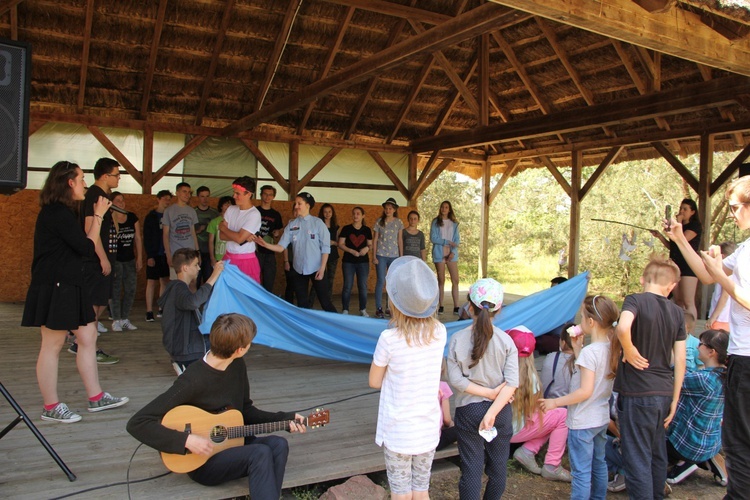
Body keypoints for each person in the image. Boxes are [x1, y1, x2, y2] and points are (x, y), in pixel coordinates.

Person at [127, 313, 306, 499]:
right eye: (250, 343)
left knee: (278, 444)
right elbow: (138, 422)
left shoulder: (237, 365)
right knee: (260, 453)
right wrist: (186, 441)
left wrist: (285, 418)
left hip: (232, 443)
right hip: (202, 462)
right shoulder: (192, 380)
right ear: (240, 349)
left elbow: (245, 410)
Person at [21, 161, 129, 423]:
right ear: (69, 182)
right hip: (55, 285)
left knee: (89, 335)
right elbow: (86, 246)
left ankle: (96, 397)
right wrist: (101, 216)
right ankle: (51, 406)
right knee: (53, 344)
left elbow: (82, 246)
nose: (84, 183)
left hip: (71, 283)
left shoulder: (64, 212)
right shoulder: (55, 213)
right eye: (81, 179)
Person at [666, 175, 750, 498]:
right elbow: (704, 273)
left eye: (734, 208)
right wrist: (680, 239)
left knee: (740, 444)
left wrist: (720, 278)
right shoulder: (743, 247)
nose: (731, 214)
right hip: (740, 359)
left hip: (746, 360)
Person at [369, 256, 446, 499]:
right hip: (428, 427)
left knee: (400, 493)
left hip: (398, 430)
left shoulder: (388, 339)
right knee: (421, 490)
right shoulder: (440, 332)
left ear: (395, 300)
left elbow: (374, 381)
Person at [613, 255, 686, 500]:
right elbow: (681, 360)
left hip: (637, 393)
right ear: (672, 285)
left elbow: (622, 327)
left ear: (644, 279)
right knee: (657, 454)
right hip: (664, 392)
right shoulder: (677, 313)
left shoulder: (635, 300)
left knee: (636, 459)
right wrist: (675, 400)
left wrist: (630, 349)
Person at [539, 295, 620, 500]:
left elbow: (585, 391)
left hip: (582, 420)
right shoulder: (611, 347)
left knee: (581, 472)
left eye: (582, 317)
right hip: (600, 418)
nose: (581, 321)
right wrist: (577, 350)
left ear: (591, 322)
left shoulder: (590, 353)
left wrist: (555, 402)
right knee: (598, 463)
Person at [447, 278, 518, 499]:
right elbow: (512, 383)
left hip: (468, 411)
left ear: (469, 307)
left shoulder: (457, 339)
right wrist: (492, 408)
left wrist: (485, 395)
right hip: (500, 412)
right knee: (498, 471)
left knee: (471, 470)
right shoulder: (506, 341)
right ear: (499, 310)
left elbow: (456, 381)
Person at [69, 157, 120, 364]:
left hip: (103, 259)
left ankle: (79, 341)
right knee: (93, 305)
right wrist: (102, 258)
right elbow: (91, 229)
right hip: (95, 260)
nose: (119, 179)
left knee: (99, 303)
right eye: (117, 175)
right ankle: (86, 345)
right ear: (105, 176)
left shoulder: (101, 195)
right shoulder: (94, 195)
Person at [507, 325, 572, 482]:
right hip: (515, 432)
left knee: (551, 416)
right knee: (562, 415)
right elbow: (535, 411)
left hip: (496, 429)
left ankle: (528, 451)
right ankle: (552, 465)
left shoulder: (499, 371)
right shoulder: (532, 379)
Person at [253, 192, 336, 312]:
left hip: (317, 269)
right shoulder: (292, 225)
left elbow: (326, 248)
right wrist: (266, 244)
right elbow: (281, 247)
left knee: (325, 302)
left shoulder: (318, 223)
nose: (296, 206)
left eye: (299, 203)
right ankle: (305, 328)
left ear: (307, 205)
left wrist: (322, 268)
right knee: (302, 303)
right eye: (295, 203)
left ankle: (337, 327)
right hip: (298, 270)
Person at [666, 329, 728, 486]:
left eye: (701, 344)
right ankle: (708, 459)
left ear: (711, 352)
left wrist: (672, 349)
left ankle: (686, 463)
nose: (697, 346)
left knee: (653, 445)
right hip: (712, 442)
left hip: (689, 446)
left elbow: (675, 377)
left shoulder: (705, 380)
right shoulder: (726, 376)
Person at [158, 249, 224, 374]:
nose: (199, 268)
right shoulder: (178, 288)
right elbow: (193, 302)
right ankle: (185, 365)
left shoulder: (177, 288)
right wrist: (214, 276)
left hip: (181, 346)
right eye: (195, 265)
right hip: (184, 349)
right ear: (185, 268)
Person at [650, 198, 702, 320]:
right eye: (680, 208)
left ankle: (691, 330)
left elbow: (682, 240)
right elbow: (672, 246)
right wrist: (660, 236)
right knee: (678, 299)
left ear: (692, 212)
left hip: (688, 265)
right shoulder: (677, 228)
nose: (682, 211)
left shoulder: (695, 226)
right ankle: (679, 325)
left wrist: (677, 223)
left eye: (685, 209)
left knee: (688, 301)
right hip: (675, 264)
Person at [110, 191, 142, 332]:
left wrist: (139, 257)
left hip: (129, 259)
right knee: (115, 290)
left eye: (122, 200)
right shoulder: (110, 219)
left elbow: (137, 238)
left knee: (130, 289)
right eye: (117, 200)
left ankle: (125, 318)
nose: (121, 203)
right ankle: (116, 319)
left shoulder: (131, 217)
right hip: (115, 260)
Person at [220, 177, 261, 283]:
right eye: (234, 193)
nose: (234, 196)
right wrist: (239, 237)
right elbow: (221, 236)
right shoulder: (231, 209)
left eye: (238, 194)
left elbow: (238, 239)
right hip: (228, 258)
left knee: (245, 296)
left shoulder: (254, 214)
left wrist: (224, 228)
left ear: (248, 194)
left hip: (246, 261)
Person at [372, 197, 404, 319]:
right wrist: (374, 256)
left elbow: (400, 240)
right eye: (386, 208)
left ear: (394, 209)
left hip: (394, 255)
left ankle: (389, 307)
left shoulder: (399, 223)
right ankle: (378, 307)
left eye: (390, 208)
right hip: (381, 254)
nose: (388, 210)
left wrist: (401, 256)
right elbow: (375, 240)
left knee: (391, 282)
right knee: (381, 280)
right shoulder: (379, 221)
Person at [143, 190, 172, 322]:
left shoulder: (170, 215)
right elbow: (147, 237)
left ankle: (162, 307)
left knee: (165, 281)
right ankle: (149, 311)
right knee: (151, 282)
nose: (167, 201)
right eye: (165, 198)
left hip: (166, 254)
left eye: (169, 199)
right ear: (158, 199)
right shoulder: (151, 216)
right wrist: (150, 255)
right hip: (154, 253)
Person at [338, 206, 372, 316]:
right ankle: (345, 309)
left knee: (362, 286)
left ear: (363, 216)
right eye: (354, 213)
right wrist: (352, 251)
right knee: (348, 285)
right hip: (348, 262)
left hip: (363, 262)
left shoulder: (367, 230)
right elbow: (340, 244)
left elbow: (370, 244)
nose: (355, 215)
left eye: (358, 213)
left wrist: (366, 249)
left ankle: (363, 309)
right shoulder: (346, 229)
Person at [430, 200, 460, 315]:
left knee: (455, 280)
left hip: (452, 254)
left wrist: (453, 251)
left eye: (446, 207)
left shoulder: (455, 223)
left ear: (449, 209)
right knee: (441, 280)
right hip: (439, 253)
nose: (444, 209)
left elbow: (457, 240)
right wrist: (446, 242)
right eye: (442, 207)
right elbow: (433, 238)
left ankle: (456, 306)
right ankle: (440, 305)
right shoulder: (435, 222)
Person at [163, 182, 199, 272]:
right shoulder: (169, 211)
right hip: (176, 253)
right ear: (177, 193)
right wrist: (168, 255)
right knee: (177, 281)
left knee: (192, 282)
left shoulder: (192, 211)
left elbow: (193, 233)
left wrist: (197, 252)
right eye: (184, 192)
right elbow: (165, 235)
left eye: (189, 192)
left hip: (191, 252)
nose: (187, 195)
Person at [309, 203, 339, 308]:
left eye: (329, 211)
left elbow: (338, 242)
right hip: (319, 256)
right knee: (316, 280)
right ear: (322, 213)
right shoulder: (317, 224)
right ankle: (309, 304)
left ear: (332, 213)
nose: (327, 214)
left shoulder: (335, 226)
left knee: (330, 280)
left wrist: (332, 242)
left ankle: (328, 303)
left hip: (333, 255)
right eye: (325, 212)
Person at [256, 185, 284, 293]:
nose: (267, 197)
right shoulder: (255, 211)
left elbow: (278, 231)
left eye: (270, 195)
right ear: (261, 195)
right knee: (255, 281)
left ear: (273, 197)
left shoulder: (276, 214)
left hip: (269, 252)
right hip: (255, 251)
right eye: (265, 194)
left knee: (269, 281)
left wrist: (277, 233)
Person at [540, 322, 576, 400]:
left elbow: (544, 386)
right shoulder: (584, 360)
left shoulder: (551, 358)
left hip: (551, 406)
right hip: (574, 406)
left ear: (563, 342)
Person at [707, 241, 737, 332]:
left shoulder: (727, 274)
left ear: (722, 257)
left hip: (721, 318)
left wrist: (713, 317)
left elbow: (724, 296)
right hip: (724, 318)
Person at [194, 186, 219, 286]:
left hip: (210, 252)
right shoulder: (193, 212)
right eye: (202, 196)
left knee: (209, 279)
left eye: (207, 196)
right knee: (195, 279)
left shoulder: (214, 213)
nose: (205, 199)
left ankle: (207, 301)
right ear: (198, 197)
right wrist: (199, 230)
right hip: (196, 251)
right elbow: (188, 233)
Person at [206, 196, 234, 268]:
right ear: (221, 206)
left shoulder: (235, 221)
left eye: (230, 204)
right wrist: (212, 258)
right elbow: (211, 241)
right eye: (225, 204)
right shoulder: (214, 222)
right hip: (219, 257)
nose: (228, 206)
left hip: (232, 257)